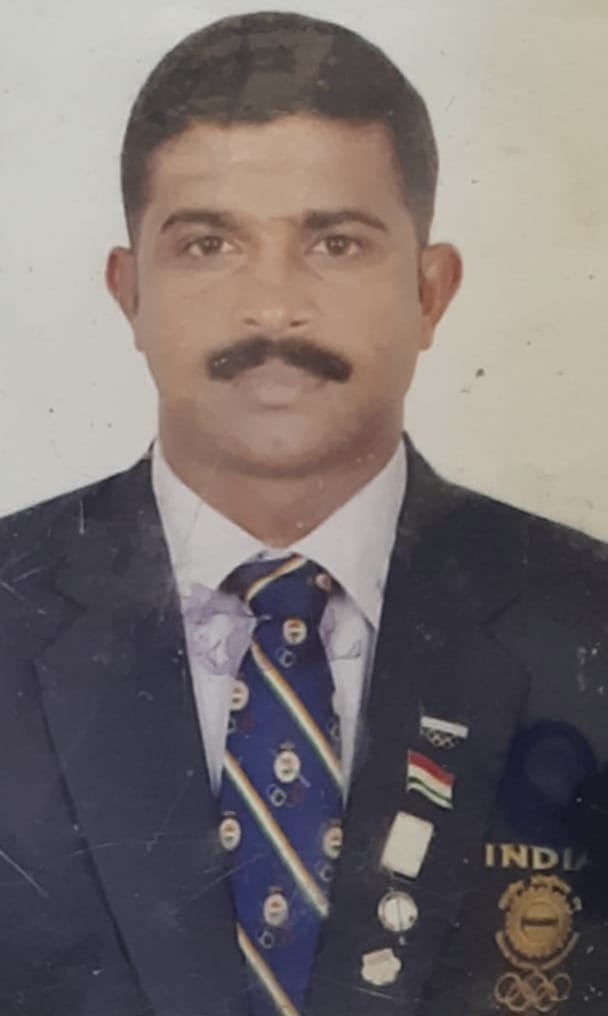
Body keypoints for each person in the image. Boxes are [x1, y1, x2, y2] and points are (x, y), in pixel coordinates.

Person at [1, 11, 607, 1016]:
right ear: (129, 293)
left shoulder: (588, 619)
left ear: (430, 291)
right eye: (208, 244)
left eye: (335, 242)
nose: (272, 308)